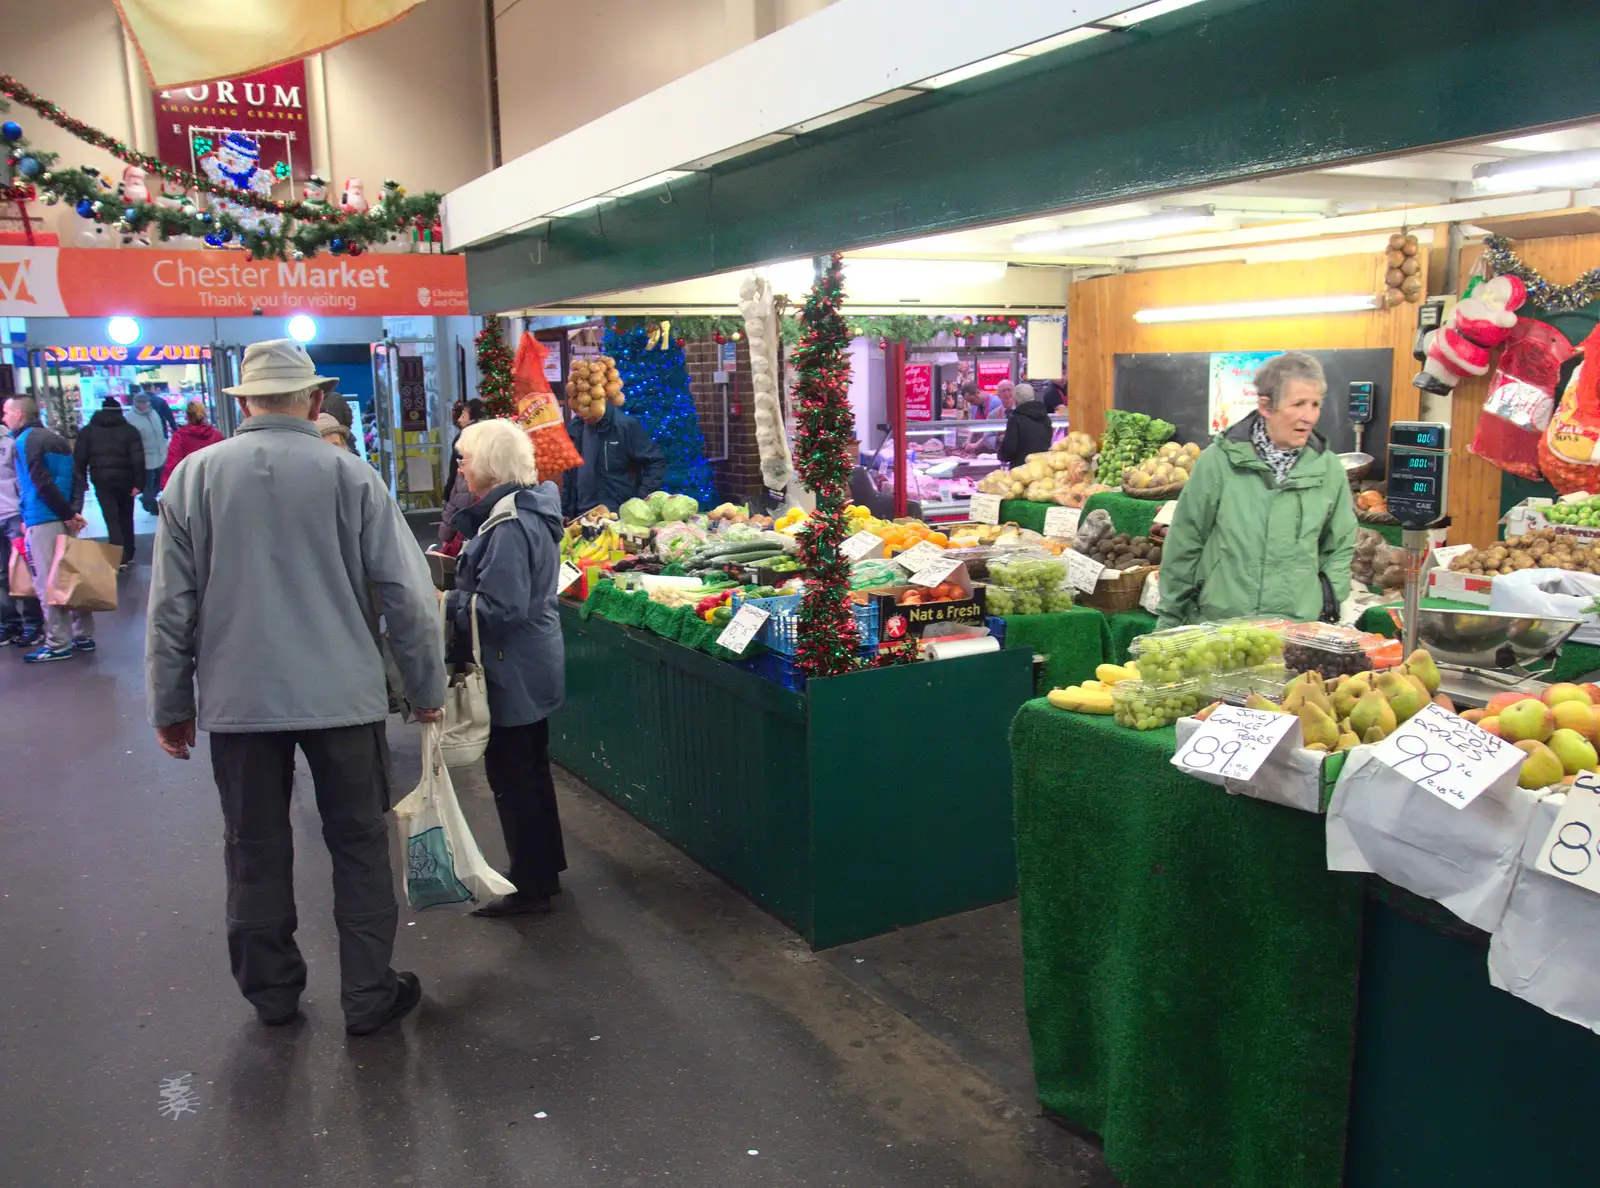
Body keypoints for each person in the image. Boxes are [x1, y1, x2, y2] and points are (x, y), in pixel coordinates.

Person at [146, 339, 446, 1036]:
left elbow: (170, 607)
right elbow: (407, 594)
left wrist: (171, 706)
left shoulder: (192, 479)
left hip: (239, 701)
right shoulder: (352, 476)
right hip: (343, 697)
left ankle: (273, 994)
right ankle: (369, 994)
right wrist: (424, 689)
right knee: (358, 845)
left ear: (244, 403)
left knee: (254, 847)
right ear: (315, 401)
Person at [446, 419, 568, 918]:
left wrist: (446, 600)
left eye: (465, 457)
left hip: (511, 666)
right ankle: (543, 869)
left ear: (491, 463)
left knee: (514, 775)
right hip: (531, 660)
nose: (460, 466)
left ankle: (530, 883)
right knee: (531, 769)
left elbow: (500, 609)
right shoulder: (529, 510)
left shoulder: (508, 526)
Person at [1156, 351, 1357, 628]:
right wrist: (1170, 616)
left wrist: (1326, 599)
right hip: (1221, 624)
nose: (1309, 417)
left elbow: (1340, 546)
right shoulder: (1218, 463)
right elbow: (1185, 541)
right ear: (1265, 406)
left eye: (1315, 405)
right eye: (1298, 404)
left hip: (1297, 628)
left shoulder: (1330, 470)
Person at [1, 395, 92, 662]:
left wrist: (64, 513)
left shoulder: (23, 442)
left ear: (19, 415)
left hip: (42, 519)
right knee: (71, 577)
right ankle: (83, 635)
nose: (4, 417)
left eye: (6, 412)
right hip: (63, 519)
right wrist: (73, 512)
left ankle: (57, 643)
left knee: (47, 583)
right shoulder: (57, 438)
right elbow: (77, 478)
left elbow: (39, 482)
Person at [561, 397, 666, 517]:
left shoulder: (624, 425)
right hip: (580, 517)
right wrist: (564, 511)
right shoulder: (575, 427)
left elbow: (655, 462)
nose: (582, 412)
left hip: (615, 516)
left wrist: (639, 500)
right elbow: (569, 473)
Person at [74, 396, 145, 570]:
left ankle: (119, 557)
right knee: (126, 516)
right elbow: (138, 459)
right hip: (126, 480)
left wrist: (81, 482)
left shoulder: (88, 432)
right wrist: (139, 483)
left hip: (101, 481)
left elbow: (79, 459)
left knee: (111, 518)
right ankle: (129, 552)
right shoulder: (130, 431)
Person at [0, 419, 43, 647]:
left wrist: (26, 513)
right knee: (1, 574)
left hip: (14, 515)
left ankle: (33, 623)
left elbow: (24, 480)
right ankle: (9, 623)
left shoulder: (11, 444)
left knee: (25, 569)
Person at [161, 401, 224, 486]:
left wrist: (167, 486)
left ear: (186, 416)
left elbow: (173, 463)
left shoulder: (180, 436)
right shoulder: (216, 435)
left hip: (188, 484)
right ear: (204, 414)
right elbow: (223, 462)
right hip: (213, 482)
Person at [126, 392, 170, 514]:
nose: (146, 404)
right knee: (149, 484)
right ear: (136, 403)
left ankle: (147, 499)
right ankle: (150, 505)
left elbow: (160, 430)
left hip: (160, 453)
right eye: (142, 402)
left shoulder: (153, 413)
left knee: (158, 484)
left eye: (147, 402)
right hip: (145, 457)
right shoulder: (130, 418)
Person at [998, 383, 1054, 465]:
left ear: (1016, 399)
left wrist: (1001, 456)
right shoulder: (1045, 417)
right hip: (1042, 467)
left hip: (1021, 469)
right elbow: (1048, 442)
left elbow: (1009, 448)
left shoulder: (1015, 419)